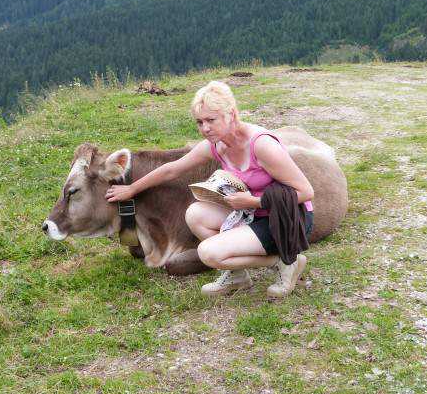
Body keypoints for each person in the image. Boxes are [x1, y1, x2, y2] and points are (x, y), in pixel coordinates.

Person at [105, 80, 314, 298]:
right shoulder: (217, 145)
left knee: (208, 254)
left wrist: (254, 202)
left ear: (231, 114)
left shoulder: (261, 145)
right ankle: (237, 276)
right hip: (254, 212)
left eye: (211, 120)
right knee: (196, 214)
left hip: (286, 219)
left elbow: (306, 191)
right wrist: (131, 190)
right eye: (199, 122)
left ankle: (286, 262)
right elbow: (172, 170)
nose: (205, 128)